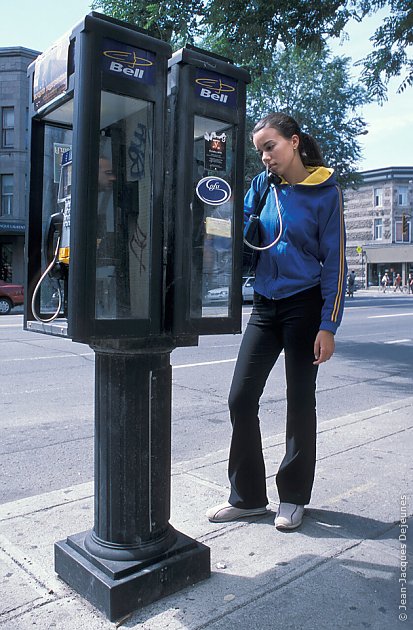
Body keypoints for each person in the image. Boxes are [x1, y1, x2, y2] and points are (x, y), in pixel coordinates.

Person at [206, 112, 347, 530]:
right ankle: (249, 496)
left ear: (294, 142)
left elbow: (335, 264)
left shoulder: (325, 192)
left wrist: (329, 325)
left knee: (300, 401)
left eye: (271, 147)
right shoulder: (260, 187)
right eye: (260, 151)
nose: (265, 157)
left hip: (305, 306)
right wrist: (210, 222)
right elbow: (230, 227)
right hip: (266, 304)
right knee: (240, 398)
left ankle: (293, 496)